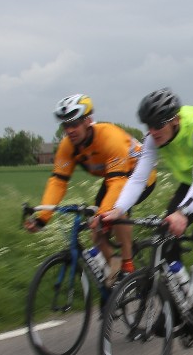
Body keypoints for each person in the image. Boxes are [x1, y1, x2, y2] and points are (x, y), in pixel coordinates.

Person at [98, 88, 193, 329]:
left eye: (158, 125)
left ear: (175, 119)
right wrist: (117, 210)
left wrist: (183, 212)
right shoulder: (152, 139)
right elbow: (138, 178)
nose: (152, 131)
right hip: (191, 184)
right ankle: (183, 302)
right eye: (148, 125)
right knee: (163, 236)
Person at [24, 93, 156, 282]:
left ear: (88, 121)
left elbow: (118, 184)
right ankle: (115, 269)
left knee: (115, 213)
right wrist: (42, 218)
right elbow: (58, 182)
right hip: (114, 177)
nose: (70, 130)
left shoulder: (110, 137)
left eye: (74, 124)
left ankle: (128, 267)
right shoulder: (68, 146)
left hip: (140, 176)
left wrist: (103, 214)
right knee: (97, 234)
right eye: (65, 125)